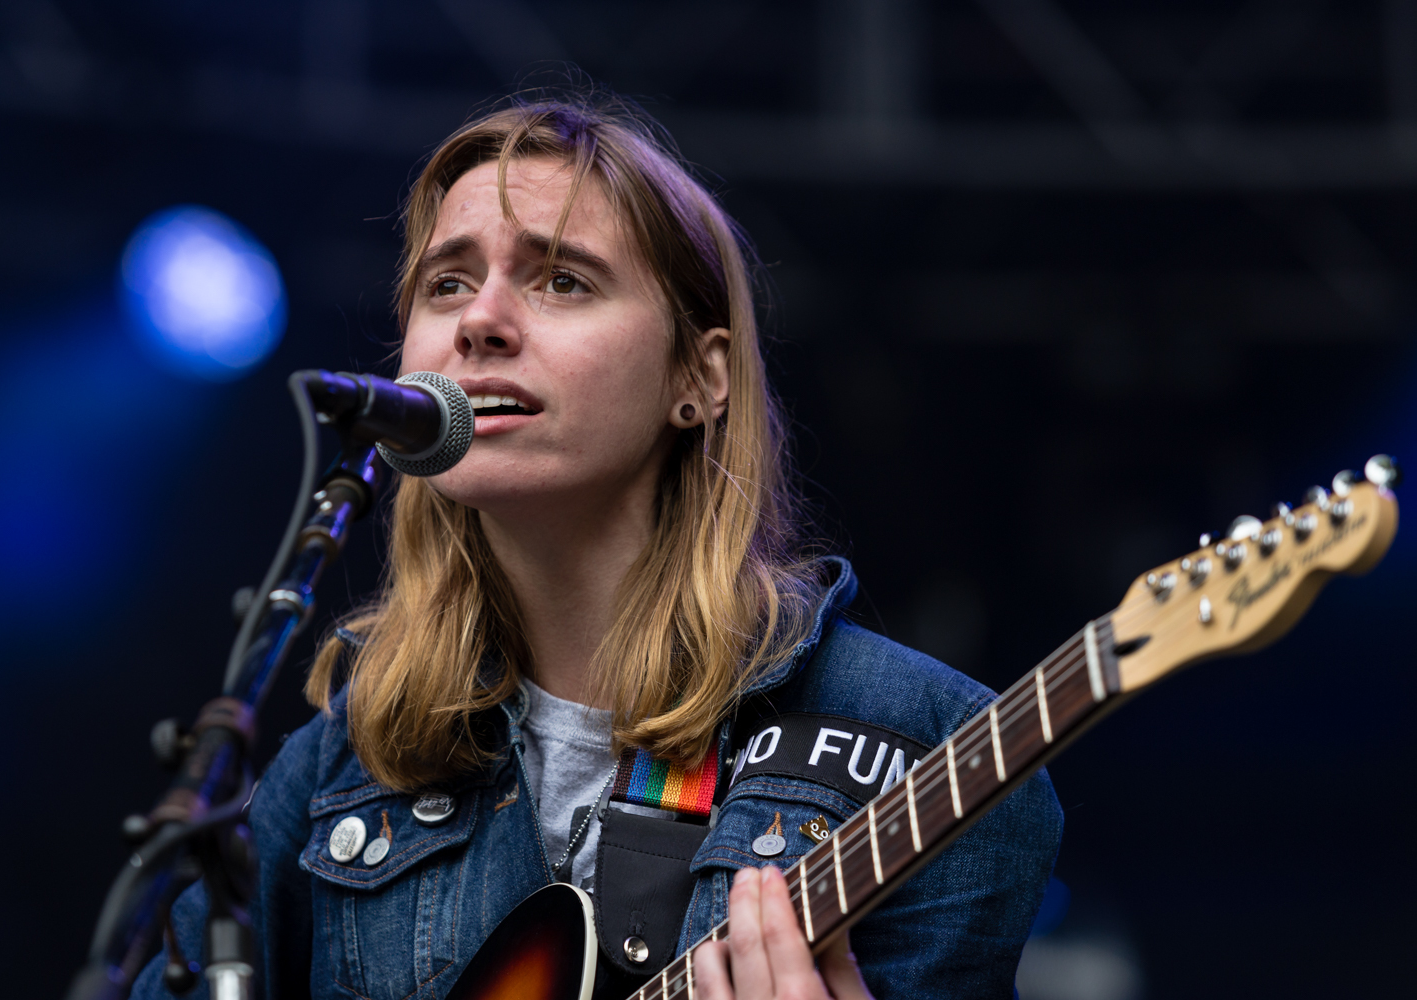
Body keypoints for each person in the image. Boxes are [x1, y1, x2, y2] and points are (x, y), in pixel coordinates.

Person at [135, 93, 1062, 1000]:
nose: (479, 320)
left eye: (562, 280)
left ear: (698, 379)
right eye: (446, 281)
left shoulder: (937, 751)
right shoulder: (342, 766)